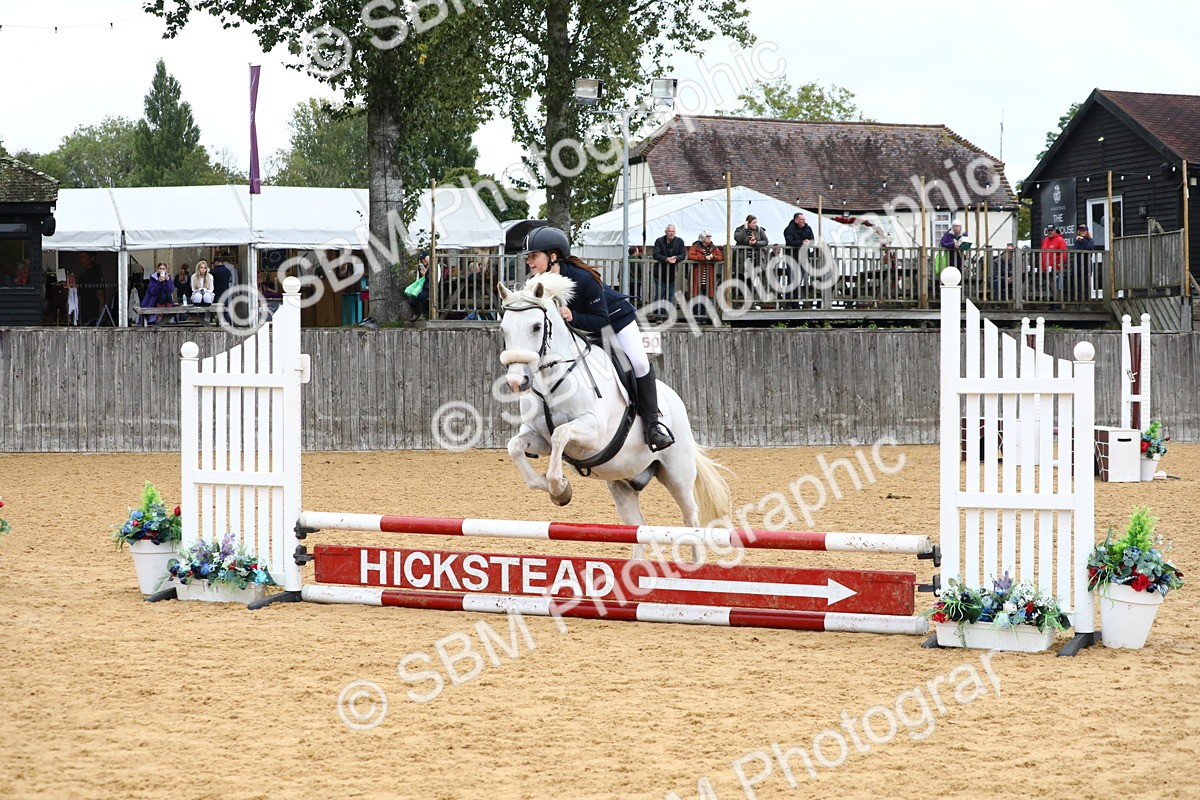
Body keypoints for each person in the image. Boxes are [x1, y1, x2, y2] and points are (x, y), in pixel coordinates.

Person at [522, 226, 674, 451]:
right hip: (583, 328)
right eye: (528, 257)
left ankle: (653, 424)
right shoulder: (537, 283)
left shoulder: (582, 279)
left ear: (553, 256)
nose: (529, 262)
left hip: (616, 321)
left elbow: (601, 321)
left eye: (534, 256)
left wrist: (573, 316)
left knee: (638, 363)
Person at [651, 224, 686, 306]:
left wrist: (676, 258)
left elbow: (683, 254)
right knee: (659, 296)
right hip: (659, 274)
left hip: (672, 274)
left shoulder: (679, 241)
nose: (671, 233)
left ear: (675, 232)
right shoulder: (659, 241)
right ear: (666, 232)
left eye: (673, 231)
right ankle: (658, 316)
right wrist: (667, 259)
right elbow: (656, 254)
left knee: (671, 296)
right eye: (669, 231)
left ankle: (669, 315)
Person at [686, 231, 724, 301]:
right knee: (696, 295)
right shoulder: (695, 246)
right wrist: (703, 258)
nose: (709, 238)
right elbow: (690, 256)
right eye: (707, 236)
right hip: (697, 274)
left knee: (708, 296)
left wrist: (713, 256)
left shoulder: (713, 247)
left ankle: (706, 311)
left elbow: (720, 256)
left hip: (709, 275)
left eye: (710, 236)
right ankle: (696, 311)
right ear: (702, 238)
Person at [782, 212, 815, 285]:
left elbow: (812, 240)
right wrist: (802, 243)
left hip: (804, 257)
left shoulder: (808, 228)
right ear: (796, 220)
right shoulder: (789, 229)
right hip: (792, 257)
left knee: (800, 278)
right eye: (801, 219)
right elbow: (789, 242)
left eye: (804, 219)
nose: (804, 221)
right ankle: (789, 296)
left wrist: (809, 242)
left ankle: (796, 295)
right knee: (792, 279)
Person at [1040, 225, 1068, 304]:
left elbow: (1064, 255)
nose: (1050, 232)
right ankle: (1051, 305)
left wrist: (1058, 264)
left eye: (1051, 230)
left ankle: (1057, 305)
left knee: (1056, 287)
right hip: (1045, 270)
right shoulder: (1045, 240)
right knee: (1048, 288)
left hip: (1056, 269)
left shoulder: (1060, 240)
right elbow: (1042, 254)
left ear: (1055, 231)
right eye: (1048, 230)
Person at [77, 252, 106, 326]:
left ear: (92, 258)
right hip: (83, 316)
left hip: (93, 317)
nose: (81, 260)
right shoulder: (82, 277)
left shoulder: (97, 276)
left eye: (84, 257)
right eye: (80, 257)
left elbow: (101, 299)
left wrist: (99, 319)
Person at [401, 253, 431, 320]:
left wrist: (425, 274)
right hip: (421, 287)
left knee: (421, 296)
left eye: (424, 259)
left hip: (429, 288)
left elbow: (435, 279)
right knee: (412, 299)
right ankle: (417, 313)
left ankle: (424, 314)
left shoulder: (434, 266)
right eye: (422, 259)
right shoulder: (420, 267)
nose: (423, 261)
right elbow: (418, 280)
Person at [1072, 223, 1095, 301]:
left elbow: (1089, 247)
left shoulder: (1090, 240)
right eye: (1080, 230)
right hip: (1078, 266)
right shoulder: (1077, 241)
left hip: (1086, 267)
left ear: (1087, 231)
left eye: (1083, 230)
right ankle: (1078, 302)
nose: (1082, 232)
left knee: (1086, 286)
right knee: (1077, 286)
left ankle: (1087, 302)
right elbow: (1075, 249)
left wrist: (1083, 240)